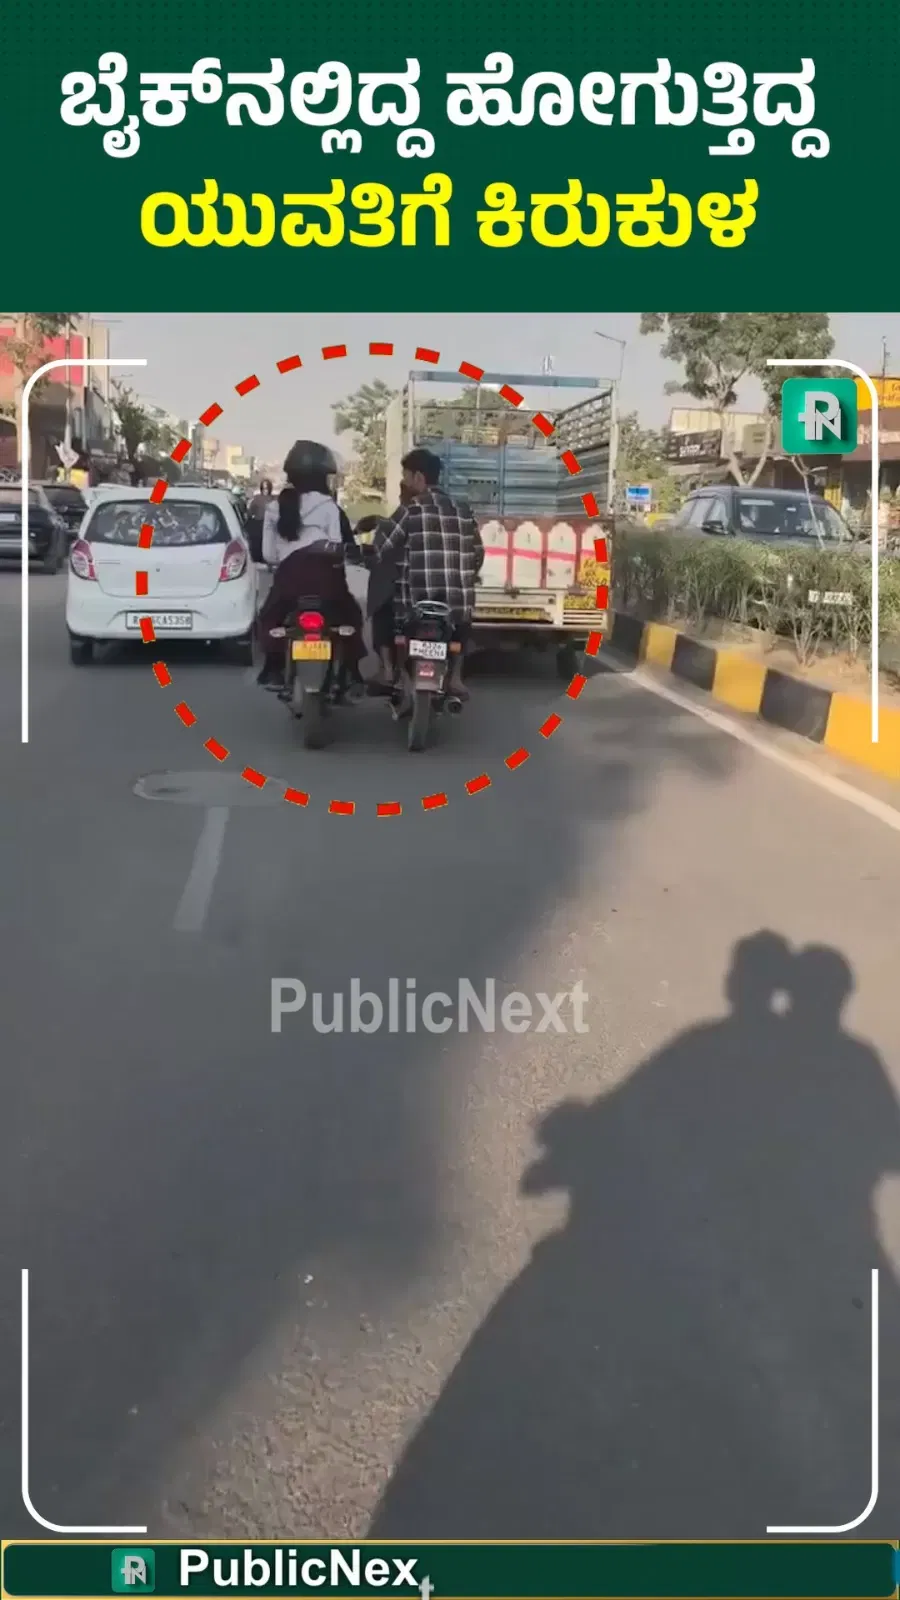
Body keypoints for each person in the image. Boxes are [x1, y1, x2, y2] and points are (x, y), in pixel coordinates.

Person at [370, 449, 483, 698]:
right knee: (462, 622)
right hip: (454, 605)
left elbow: (381, 548)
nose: (405, 482)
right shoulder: (463, 511)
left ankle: (389, 671)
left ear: (418, 477)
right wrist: (465, 574)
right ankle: (455, 678)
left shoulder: (410, 509)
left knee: (384, 609)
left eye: (406, 477)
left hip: (414, 604)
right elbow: (478, 554)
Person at [255, 441, 365, 690]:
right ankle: (351, 674)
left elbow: (268, 555)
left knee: (270, 618)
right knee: (351, 618)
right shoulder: (329, 507)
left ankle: (273, 669)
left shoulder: (274, 508)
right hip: (328, 585)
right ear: (322, 477)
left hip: (288, 584)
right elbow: (337, 547)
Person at [246, 479, 273, 564]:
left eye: (267, 488)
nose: (265, 490)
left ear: (269, 488)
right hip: (259, 523)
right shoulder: (257, 498)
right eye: (263, 488)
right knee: (258, 542)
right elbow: (251, 512)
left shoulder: (273, 499)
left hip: (270, 524)